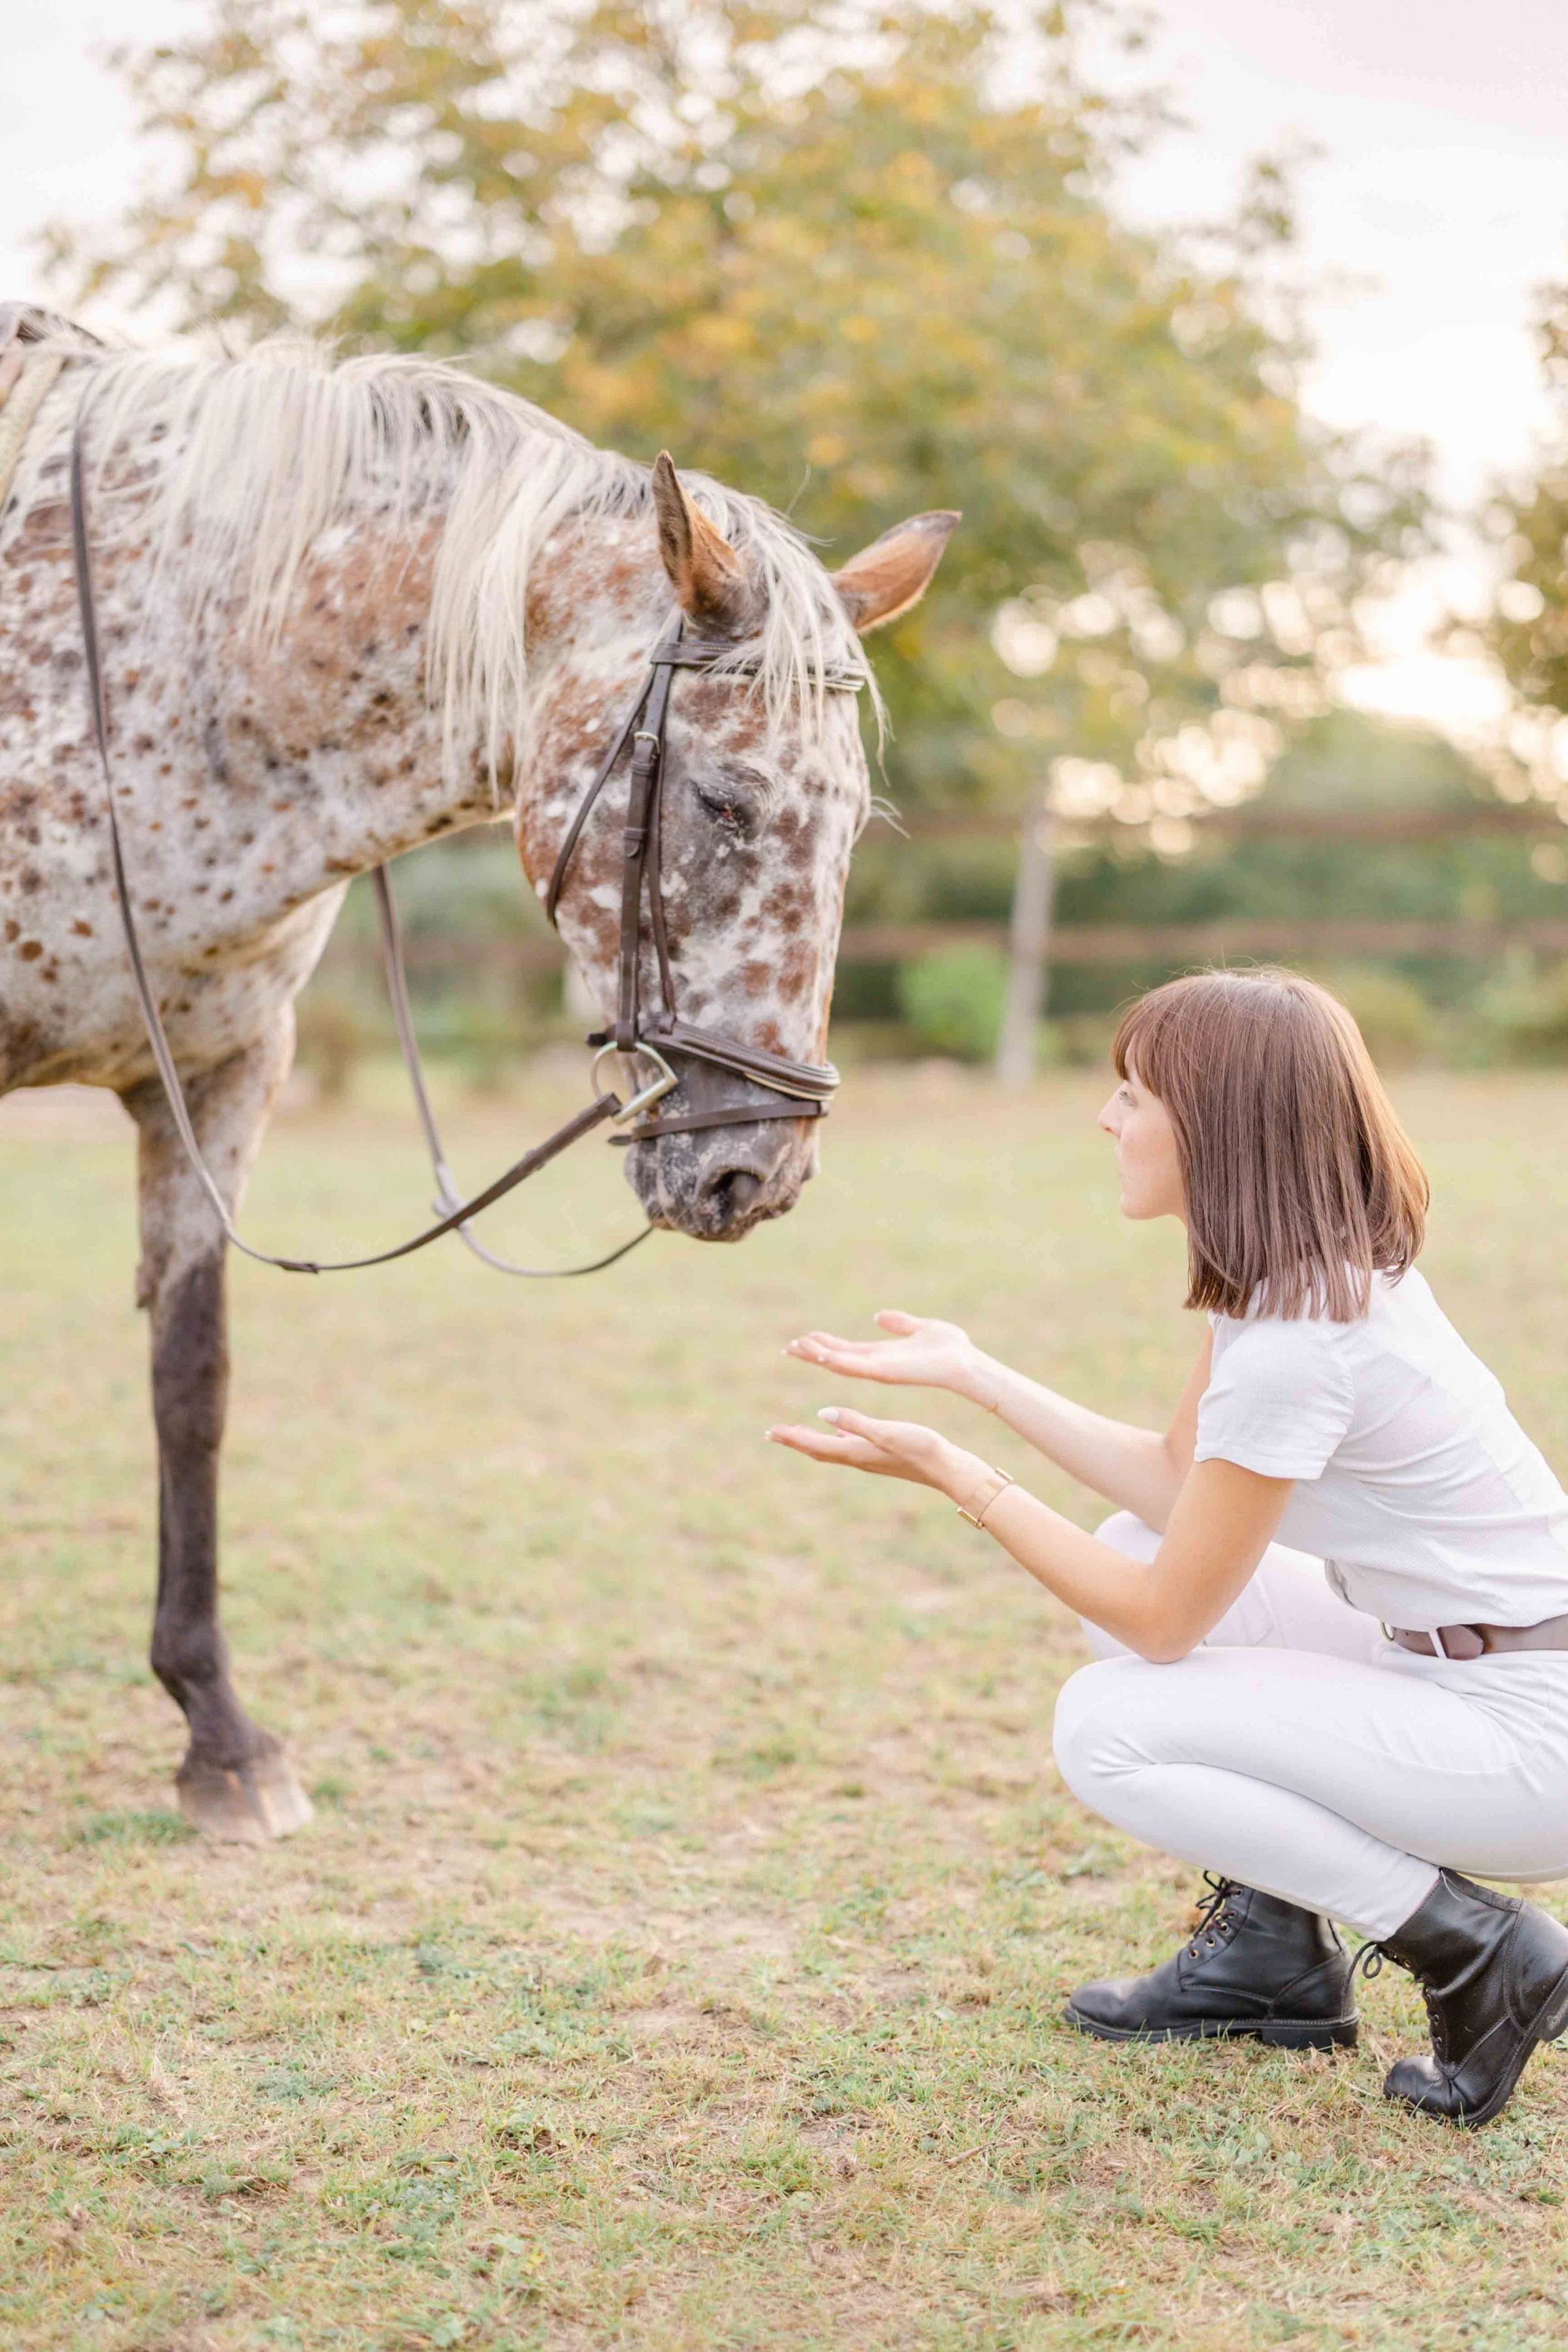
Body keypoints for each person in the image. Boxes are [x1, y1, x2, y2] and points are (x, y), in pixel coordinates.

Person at [767, 968, 1568, 2130]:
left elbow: (1159, 1620)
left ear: (1218, 1127)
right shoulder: (1299, 1281)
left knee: (1106, 1727)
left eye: (1134, 1096)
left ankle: (1478, 1947)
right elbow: (1174, 1483)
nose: (1107, 1119)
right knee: (1133, 1536)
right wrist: (976, 1375)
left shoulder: (1300, 1338)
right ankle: (1275, 1955)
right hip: (1470, 1669)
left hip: (1531, 1744)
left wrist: (958, 1474)